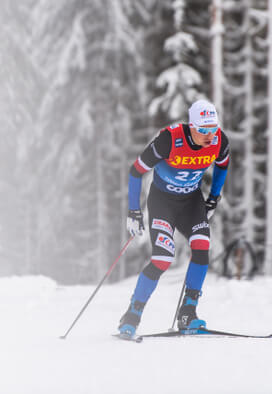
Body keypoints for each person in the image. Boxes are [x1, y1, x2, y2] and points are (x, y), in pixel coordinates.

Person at [119, 99, 230, 338]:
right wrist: (133, 211)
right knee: (163, 257)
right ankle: (132, 314)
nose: (209, 136)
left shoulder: (219, 141)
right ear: (191, 126)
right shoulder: (169, 140)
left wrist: (214, 198)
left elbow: (223, 165)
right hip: (162, 203)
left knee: (202, 247)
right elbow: (136, 171)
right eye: (203, 130)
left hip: (191, 202)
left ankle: (188, 313)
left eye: (213, 129)